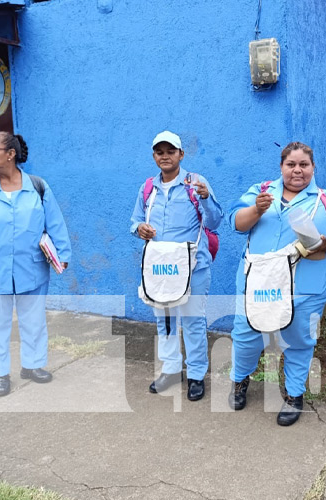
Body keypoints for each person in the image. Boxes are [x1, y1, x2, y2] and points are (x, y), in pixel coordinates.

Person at [227, 141, 326, 426]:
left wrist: (325, 244)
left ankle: (293, 394)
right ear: (281, 167)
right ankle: (240, 381)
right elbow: (236, 223)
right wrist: (256, 210)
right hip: (259, 283)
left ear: (313, 168)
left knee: (300, 340)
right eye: (291, 165)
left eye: (304, 165)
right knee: (246, 336)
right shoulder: (261, 192)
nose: (297, 170)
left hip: (307, 288)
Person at [0, 132, 71, 397]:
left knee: (33, 322)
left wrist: (63, 253)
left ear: (10, 153)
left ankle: (32, 366)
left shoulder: (37, 186)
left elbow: (55, 222)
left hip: (31, 268)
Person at [130, 131, 223, 401]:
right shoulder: (147, 188)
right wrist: (140, 229)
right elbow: (134, 221)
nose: (165, 156)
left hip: (194, 266)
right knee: (166, 321)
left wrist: (205, 198)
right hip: (161, 267)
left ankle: (196, 375)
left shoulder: (196, 183)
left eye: (171, 151)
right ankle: (171, 370)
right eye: (160, 152)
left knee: (194, 320)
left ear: (181, 154)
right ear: (154, 156)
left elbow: (215, 222)